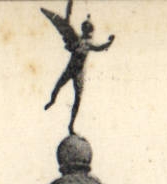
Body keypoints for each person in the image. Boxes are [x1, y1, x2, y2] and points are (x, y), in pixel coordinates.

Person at [41, 2, 115, 135]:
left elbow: (99, 48)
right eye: (85, 27)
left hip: (79, 72)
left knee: (77, 99)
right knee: (58, 86)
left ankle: (71, 125)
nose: (87, 30)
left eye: (88, 27)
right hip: (71, 68)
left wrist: (110, 42)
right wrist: (70, 4)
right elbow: (66, 20)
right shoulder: (77, 39)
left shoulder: (89, 43)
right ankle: (52, 100)